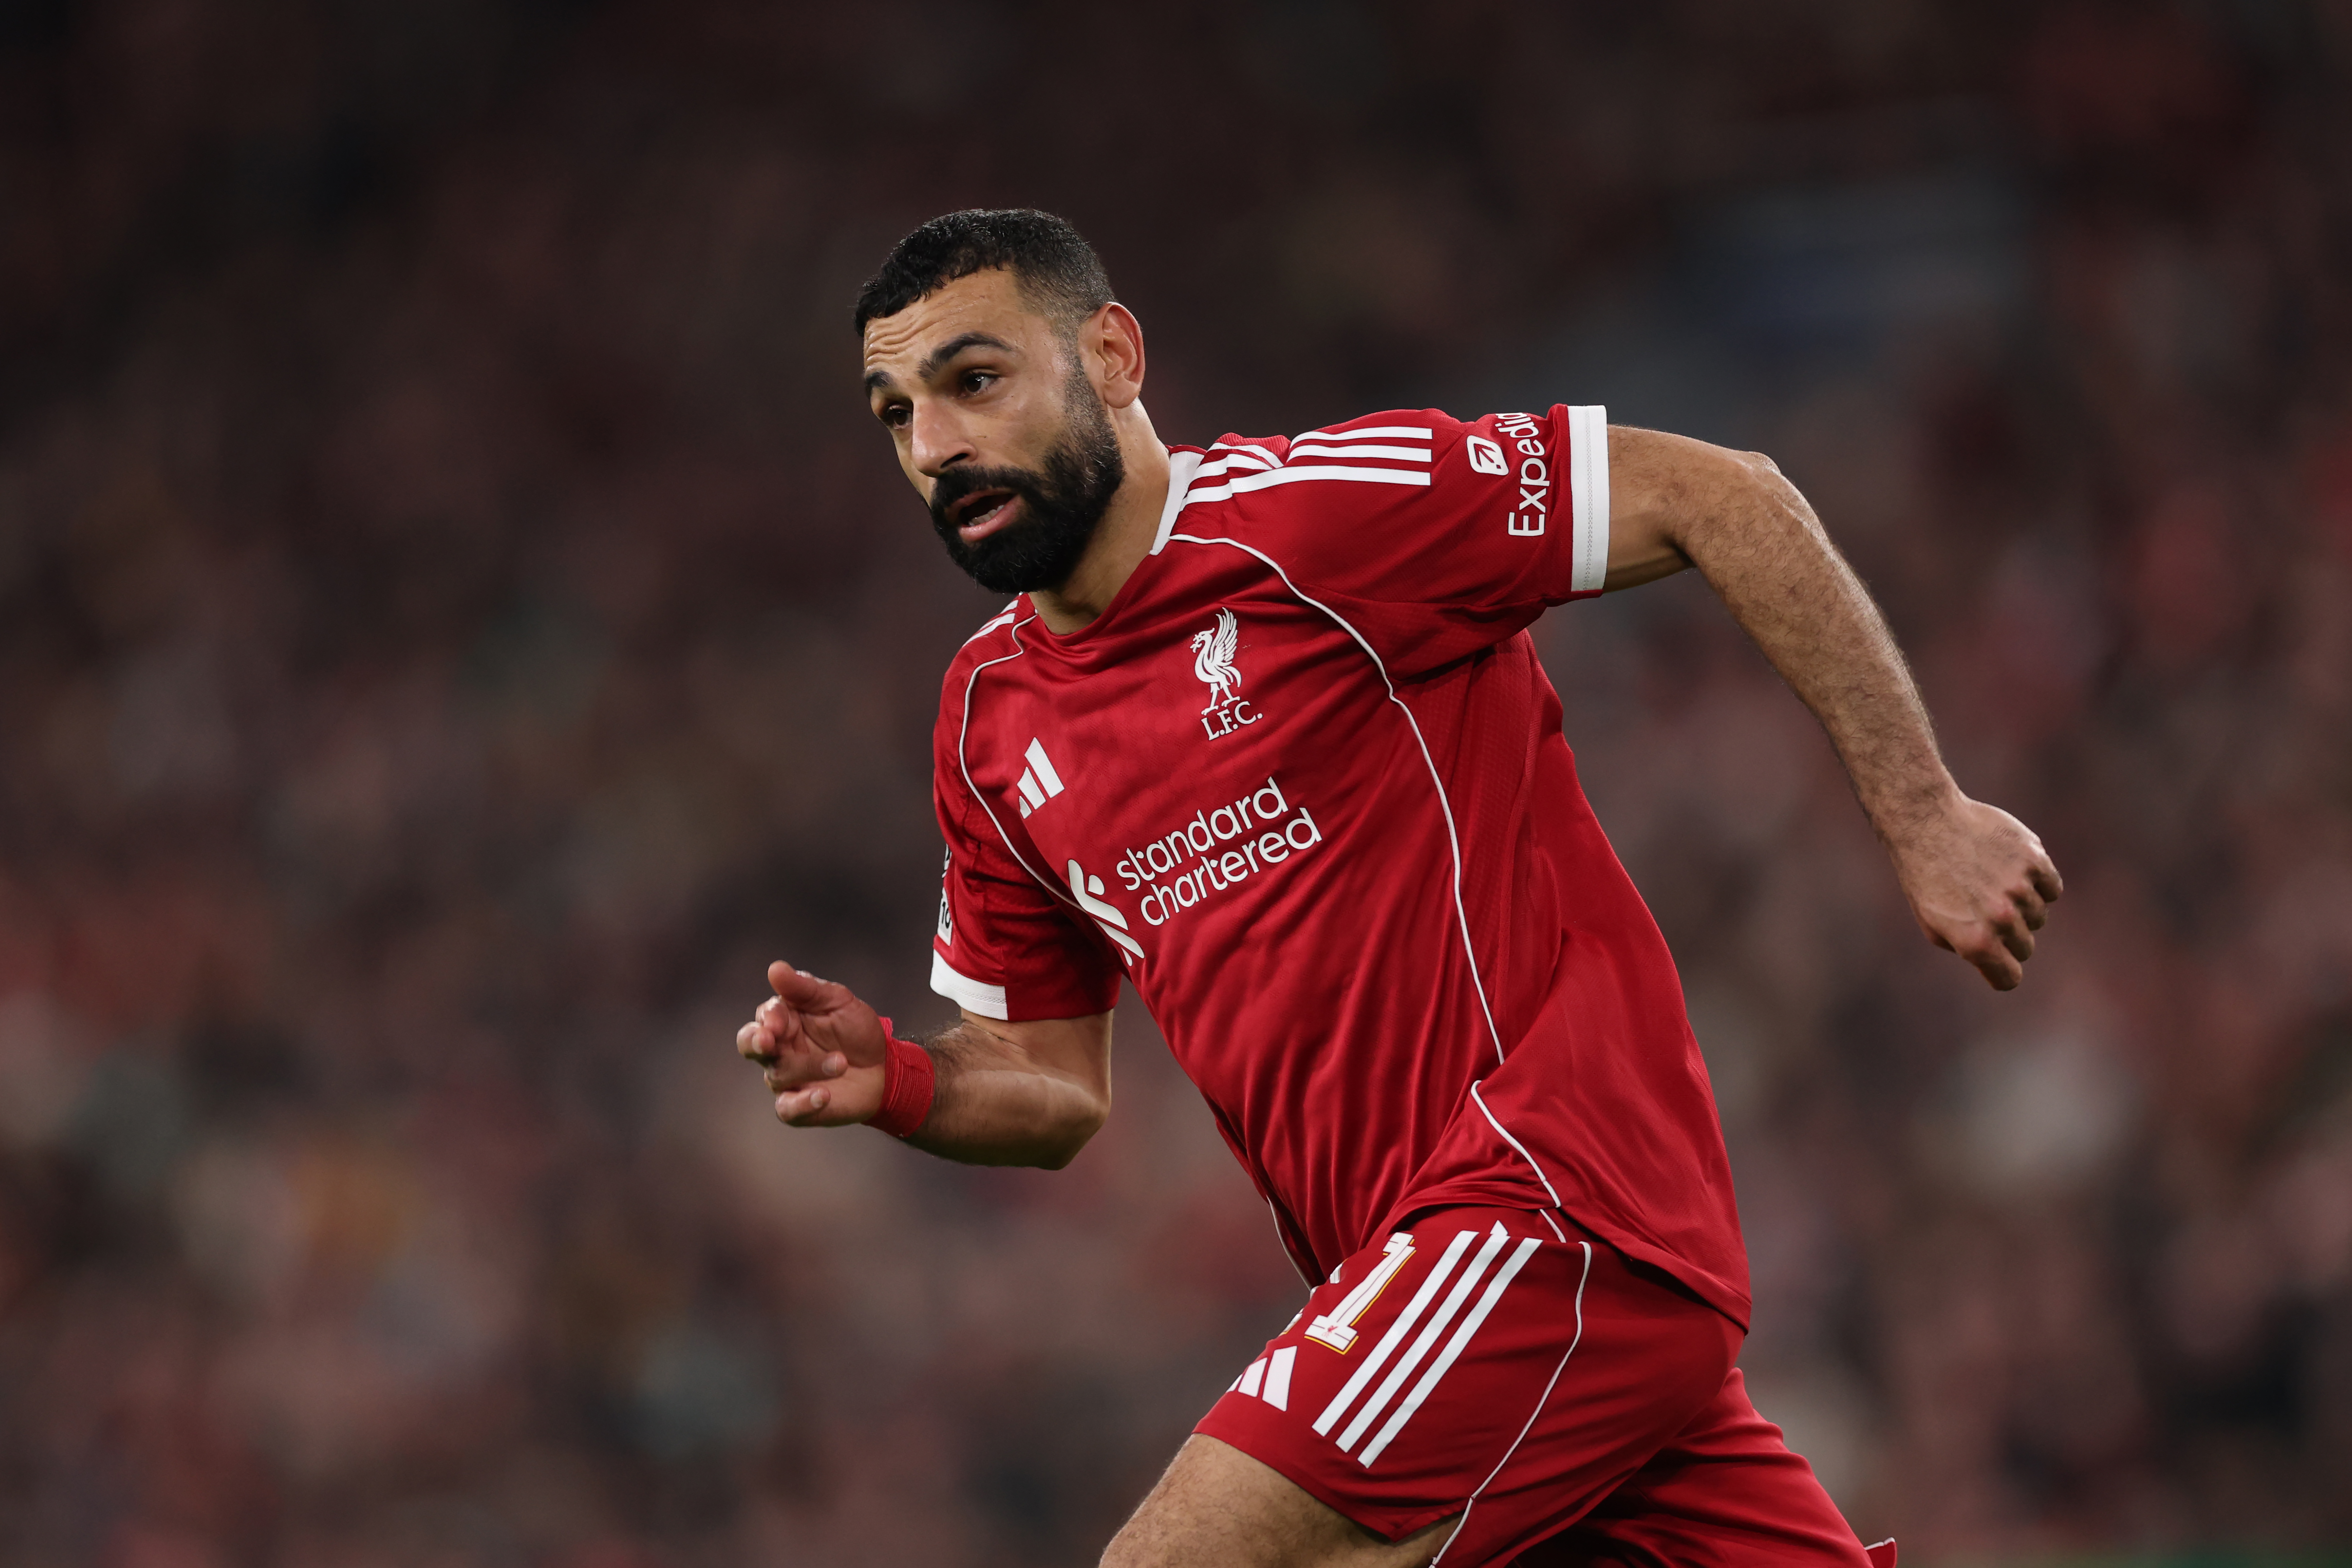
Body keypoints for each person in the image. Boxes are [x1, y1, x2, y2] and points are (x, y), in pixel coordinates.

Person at [734, 209, 2060, 1568]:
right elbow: (1052, 1082)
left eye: (974, 381)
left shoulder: (1320, 518)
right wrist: (898, 1080)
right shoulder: (987, 722)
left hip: (1548, 1207)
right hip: (1455, 1294)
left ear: (1115, 356)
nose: (936, 447)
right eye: (895, 414)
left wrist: (1924, 814)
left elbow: (1719, 493)